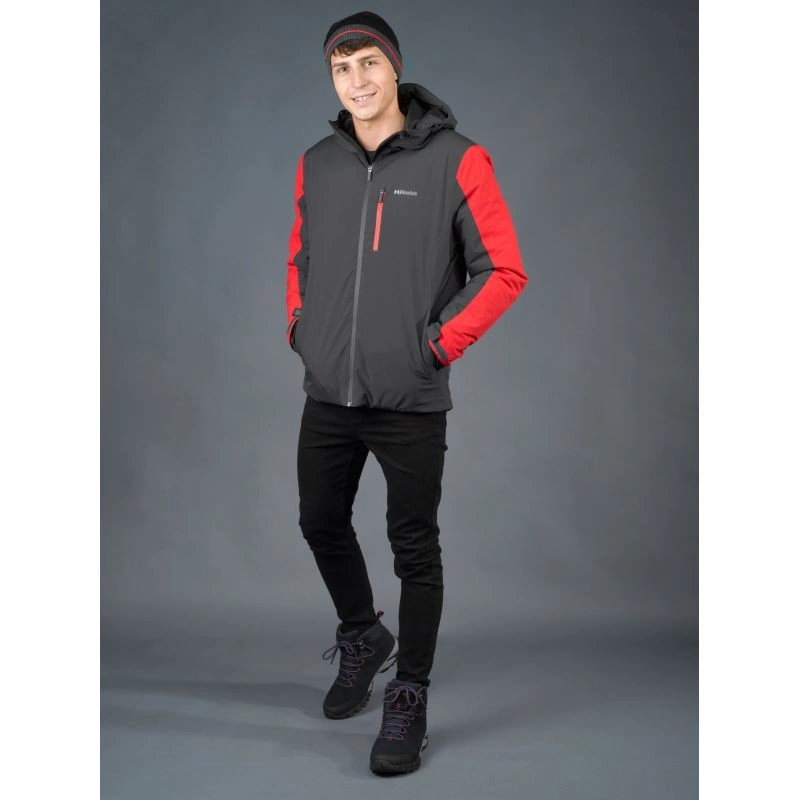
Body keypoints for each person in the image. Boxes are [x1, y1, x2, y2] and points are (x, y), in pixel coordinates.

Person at [284, 10, 528, 775]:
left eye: (368, 64)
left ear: (394, 67)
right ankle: (363, 635)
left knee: (413, 547)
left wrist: (435, 346)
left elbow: (504, 270)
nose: (355, 81)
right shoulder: (317, 164)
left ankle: (410, 693)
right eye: (341, 68)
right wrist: (299, 328)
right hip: (329, 389)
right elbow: (301, 258)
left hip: (410, 398)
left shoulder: (459, 159)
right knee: (320, 520)